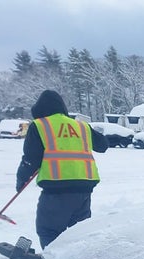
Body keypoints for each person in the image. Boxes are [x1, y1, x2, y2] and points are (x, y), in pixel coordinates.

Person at [16, 89, 109, 249]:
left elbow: (31, 159)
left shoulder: (39, 125)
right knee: (79, 233)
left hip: (56, 190)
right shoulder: (81, 126)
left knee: (49, 231)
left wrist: (21, 180)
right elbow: (103, 146)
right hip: (84, 190)